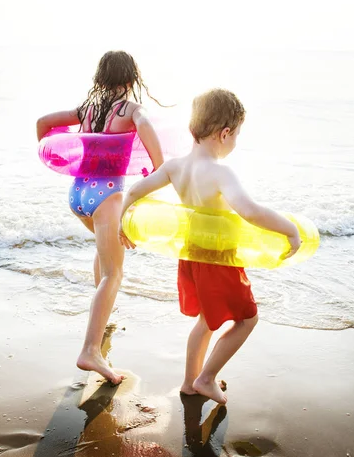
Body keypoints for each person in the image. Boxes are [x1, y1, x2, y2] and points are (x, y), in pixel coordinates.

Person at [118, 88, 300, 403]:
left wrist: (124, 223)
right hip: (219, 259)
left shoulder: (176, 167)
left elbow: (135, 190)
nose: (236, 141)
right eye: (237, 135)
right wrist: (290, 230)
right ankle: (206, 377)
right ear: (224, 133)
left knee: (205, 321)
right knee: (247, 319)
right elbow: (250, 211)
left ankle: (190, 382)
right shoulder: (219, 172)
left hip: (192, 255)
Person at [36, 51, 164, 384]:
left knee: (103, 254)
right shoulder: (134, 111)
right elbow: (159, 164)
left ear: (101, 78)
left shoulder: (87, 110)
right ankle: (90, 351)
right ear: (132, 78)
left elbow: (43, 124)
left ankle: (101, 317)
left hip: (78, 196)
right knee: (114, 273)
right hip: (108, 196)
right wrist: (145, 192)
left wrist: (58, 157)